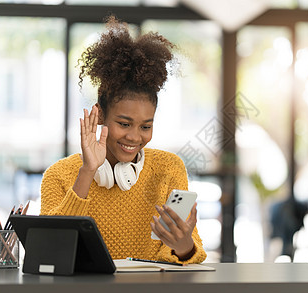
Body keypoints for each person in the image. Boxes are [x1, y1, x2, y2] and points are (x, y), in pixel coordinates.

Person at [40, 16, 206, 264]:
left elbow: (183, 256)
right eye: (124, 124)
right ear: (100, 115)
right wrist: (87, 172)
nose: (135, 137)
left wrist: (183, 246)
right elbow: (51, 251)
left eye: (146, 126)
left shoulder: (169, 168)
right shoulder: (59, 175)